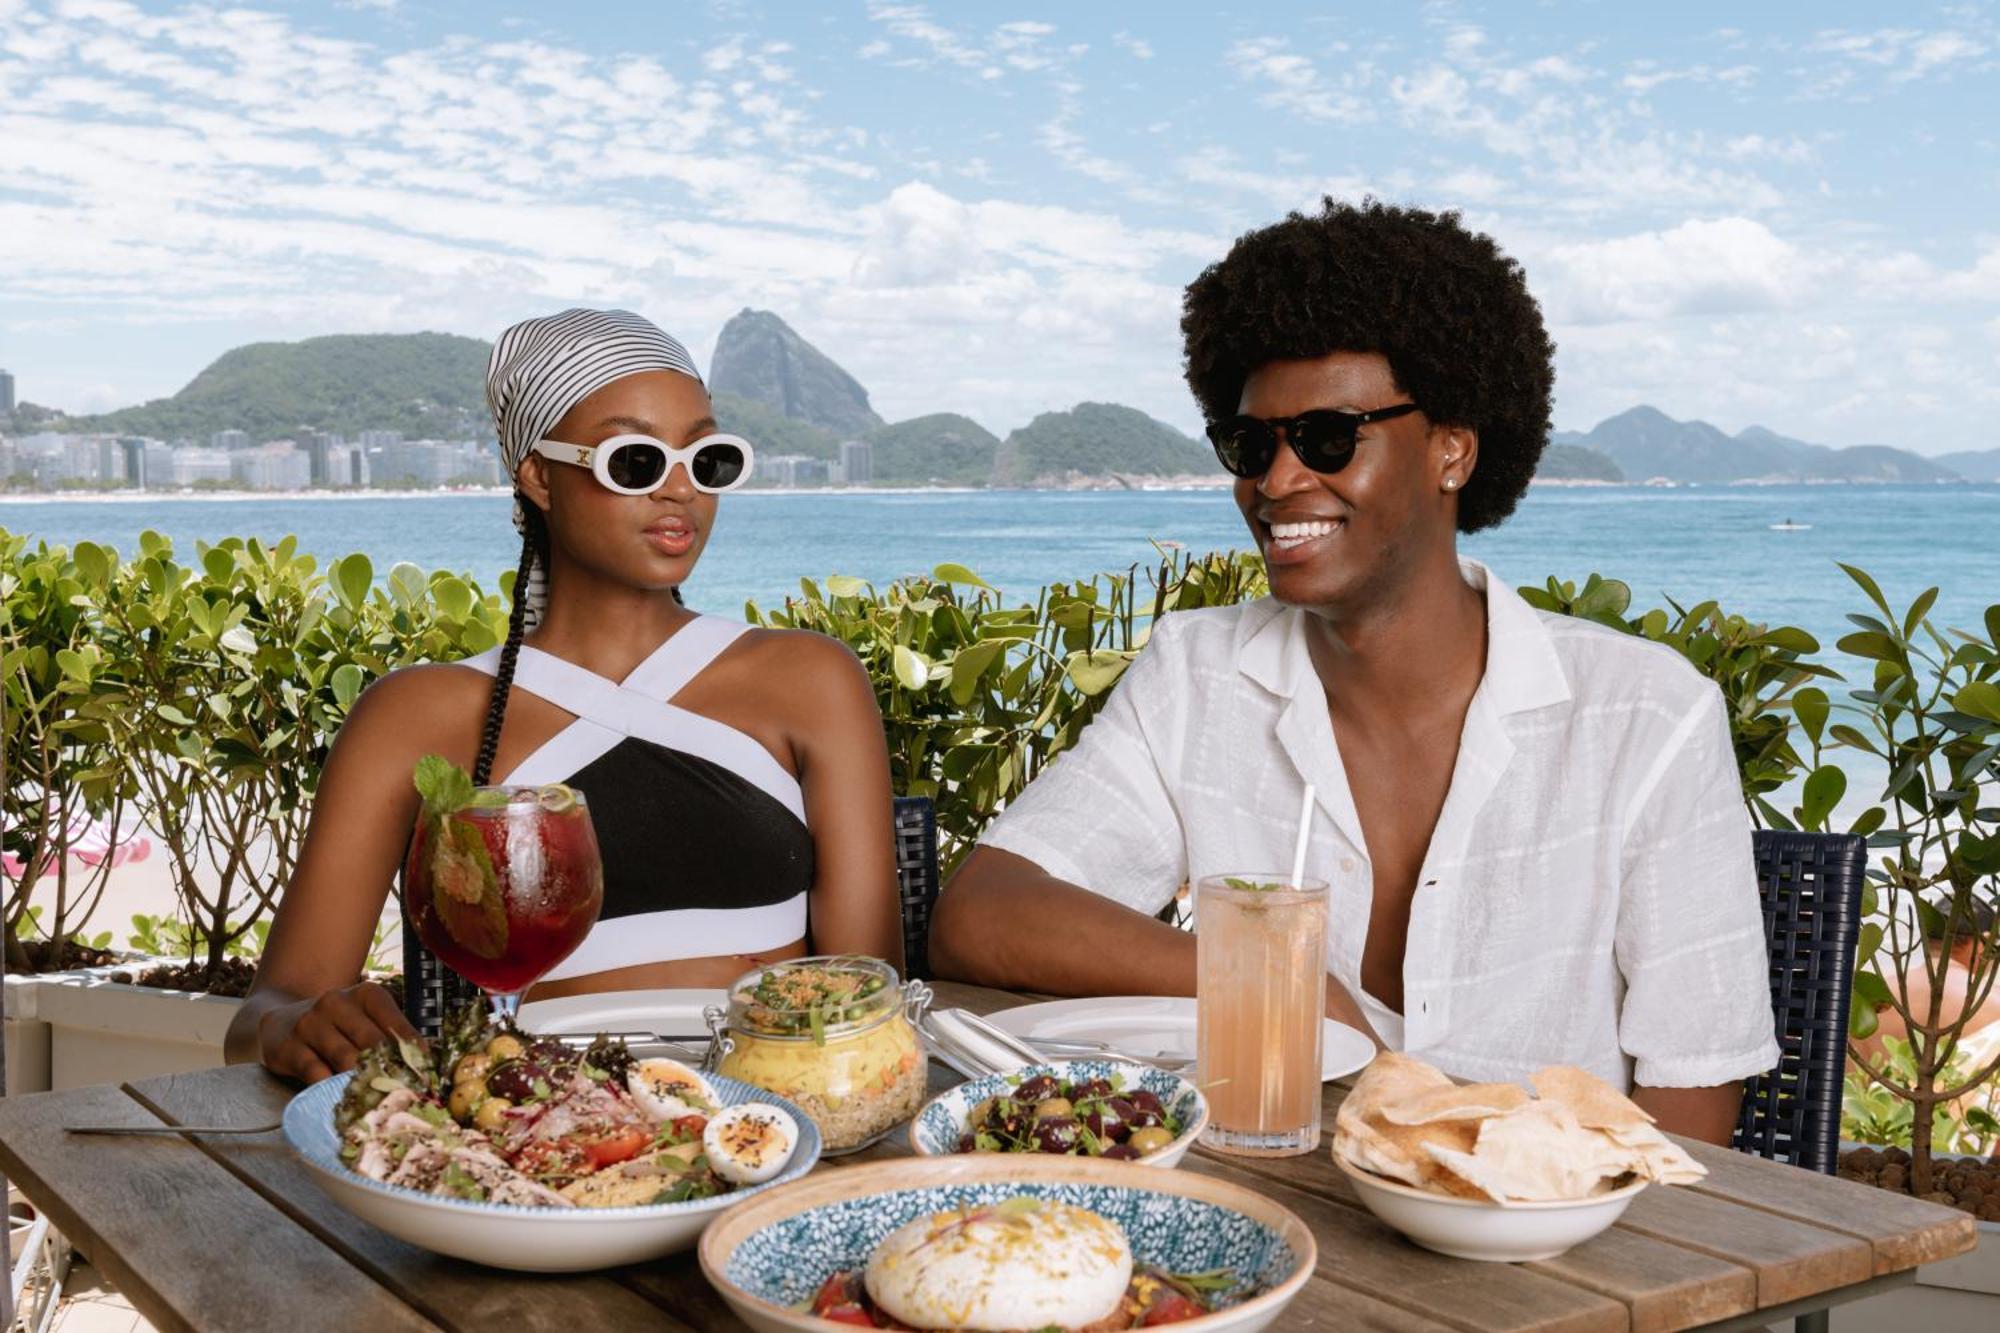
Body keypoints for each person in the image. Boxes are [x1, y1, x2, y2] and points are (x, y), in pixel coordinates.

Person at [929, 200, 1779, 1143]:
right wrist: (1282, 982)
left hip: (1547, 1245)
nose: (1279, 480)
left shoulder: (1647, 719)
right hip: (1262, 1222)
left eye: (1330, 437)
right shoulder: (1198, 675)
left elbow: (1693, 1103)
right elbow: (985, 911)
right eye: (1253, 445)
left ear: (1451, 450)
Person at [227, 309, 901, 1083]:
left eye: (706, 458)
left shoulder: (809, 680)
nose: (680, 488)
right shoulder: (416, 715)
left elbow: (868, 996)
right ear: (539, 474)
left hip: (779, 1117)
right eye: (636, 460)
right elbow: (263, 1013)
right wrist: (296, 1025)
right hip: (544, 1137)